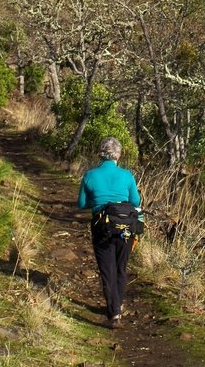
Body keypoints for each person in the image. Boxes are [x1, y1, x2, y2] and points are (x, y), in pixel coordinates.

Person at [77, 136, 141, 329]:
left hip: (101, 225)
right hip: (126, 226)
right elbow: (136, 202)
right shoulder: (127, 175)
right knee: (121, 267)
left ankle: (114, 312)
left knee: (107, 269)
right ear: (118, 155)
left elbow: (81, 204)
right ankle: (118, 304)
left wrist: (97, 201)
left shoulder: (89, 175)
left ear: (101, 154)